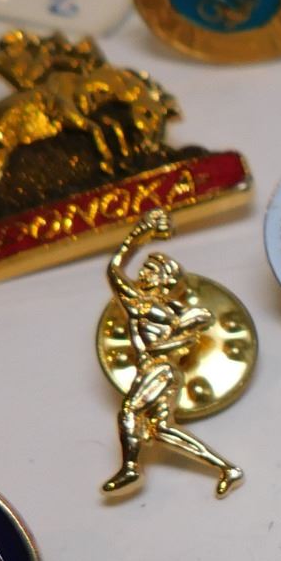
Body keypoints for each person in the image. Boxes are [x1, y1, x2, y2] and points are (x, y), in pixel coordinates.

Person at [101, 209, 243, 497]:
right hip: (162, 372)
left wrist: (139, 234)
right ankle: (227, 469)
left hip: (159, 370)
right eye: (144, 268)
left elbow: (113, 268)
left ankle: (131, 467)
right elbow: (114, 271)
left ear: (162, 280)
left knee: (129, 412)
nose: (142, 273)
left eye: (150, 270)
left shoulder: (144, 305)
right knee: (161, 430)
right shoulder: (168, 314)